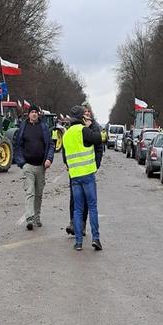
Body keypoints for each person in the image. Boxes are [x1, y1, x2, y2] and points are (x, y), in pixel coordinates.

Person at [62, 104, 102, 251]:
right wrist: (91, 126)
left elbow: (66, 156)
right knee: (92, 207)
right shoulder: (83, 130)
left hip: (74, 177)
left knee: (77, 210)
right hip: (88, 175)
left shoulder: (66, 135)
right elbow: (98, 139)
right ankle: (96, 239)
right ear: (82, 118)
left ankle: (78, 242)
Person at [14, 102, 54, 229]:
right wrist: (22, 163)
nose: (34, 114)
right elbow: (18, 145)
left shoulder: (43, 127)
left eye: (36, 112)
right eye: (32, 112)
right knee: (30, 192)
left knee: (38, 194)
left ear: (38, 114)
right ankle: (29, 219)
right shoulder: (23, 127)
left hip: (41, 166)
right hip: (28, 166)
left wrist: (49, 159)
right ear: (28, 114)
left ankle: (37, 217)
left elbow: (51, 145)